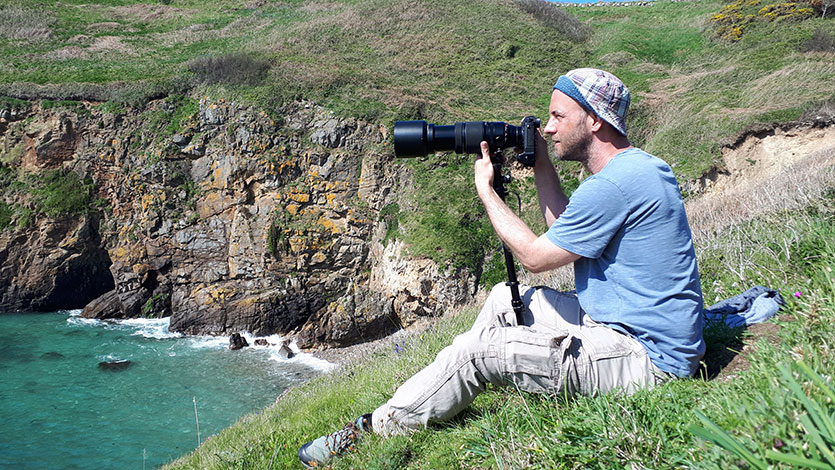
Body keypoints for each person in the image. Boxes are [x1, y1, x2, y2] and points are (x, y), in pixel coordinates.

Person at [298, 68, 705, 468]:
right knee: (501, 300)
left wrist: (486, 192)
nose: (547, 128)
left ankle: (376, 428)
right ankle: (446, 388)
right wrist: (542, 164)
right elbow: (566, 232)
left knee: (479, 351)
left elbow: (534, 258)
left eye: (559, 117)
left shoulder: (614, 186)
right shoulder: (637, 170)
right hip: (618, 324)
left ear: (594, 120)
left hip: (646, 359)